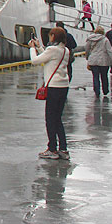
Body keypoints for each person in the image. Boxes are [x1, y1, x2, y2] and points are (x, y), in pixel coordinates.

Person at [30, 27, 71, 160]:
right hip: (64, 86)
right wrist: (39, 47)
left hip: (53, 87)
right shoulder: (65, 50)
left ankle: (52, 149)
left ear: (54, 36)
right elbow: (49, 58)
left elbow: (35, 61)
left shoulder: (52, 50)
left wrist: (32, 48)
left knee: (50, 119)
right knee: (58, 118)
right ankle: (63, 149)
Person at [85, 26, 112, 97]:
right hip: (104, 61)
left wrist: (87, 57)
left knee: (95, 76)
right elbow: (109, 51)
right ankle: (105, 90)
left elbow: (87, 49)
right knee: (104, 76)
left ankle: (97, 91)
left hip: (93, 60)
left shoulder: (90, 39)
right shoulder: (105, 40)